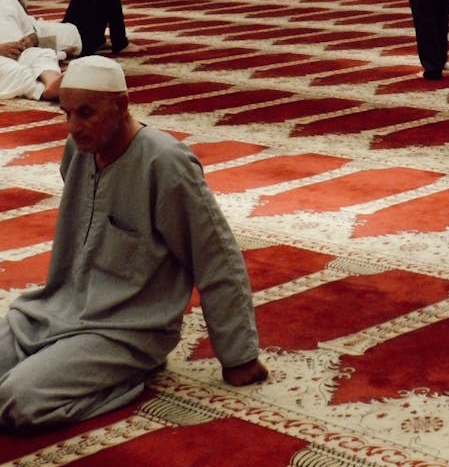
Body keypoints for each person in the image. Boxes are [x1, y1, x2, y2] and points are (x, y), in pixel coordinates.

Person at [0, 55, 267, 430]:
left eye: (86, 113)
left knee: (17, 401)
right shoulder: (80, 148)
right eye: (67, 114)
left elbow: (216, 257)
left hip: (126, 330)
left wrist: (238, 356)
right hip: (56, 310)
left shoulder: (166, 163)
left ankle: (131, 375)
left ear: (122, 106)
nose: (73, 127)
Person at [0, 0, 62, 101]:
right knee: (17, 71)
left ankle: (52, 82)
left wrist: (31, 40)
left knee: (43, 54)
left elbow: (31, 33)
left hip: (20, 51)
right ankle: (46, 92)